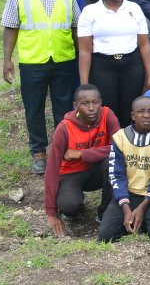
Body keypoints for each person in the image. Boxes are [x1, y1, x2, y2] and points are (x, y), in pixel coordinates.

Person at [2, 0, 80, 174]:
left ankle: (62, 148)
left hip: (63, 59)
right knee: (34, 108)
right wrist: (7, 59)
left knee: (63, 107)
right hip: (32, 61)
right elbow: (10, 27)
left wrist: (82, 55)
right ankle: (38, 152)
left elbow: (76, 26)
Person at [78, 0, 150, 127]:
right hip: (102, 67)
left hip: (132, 65)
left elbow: (144, 45)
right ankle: (110, 147)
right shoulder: (90, 12)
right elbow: (85, 50)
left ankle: (127, 146)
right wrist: (84, 85)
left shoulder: (134, 9)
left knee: (130, 108)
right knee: (108, 110)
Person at [44, 84, 120, 237]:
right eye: (85, 104)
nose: (91, 108)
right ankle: (75, 204)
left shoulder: (107, 115)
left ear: (101, 102)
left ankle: (104, 211)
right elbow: (52, 169)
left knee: (114, 163)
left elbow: (119, 148)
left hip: (98, 170)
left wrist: (81, 154)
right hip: (72, 173)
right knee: (69, 206)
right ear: (75, 106)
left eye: (95, 102)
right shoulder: (64, 128)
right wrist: (51, 212)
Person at [98, 96, 150, 243]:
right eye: (141, 111)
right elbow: (117, 175)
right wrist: (125, 207)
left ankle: (144, 219)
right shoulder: (120, 137)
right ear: (133, 115)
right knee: (105, 236)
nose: (146, 115)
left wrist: (143, 207)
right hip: (126, 194)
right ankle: (133, 219)